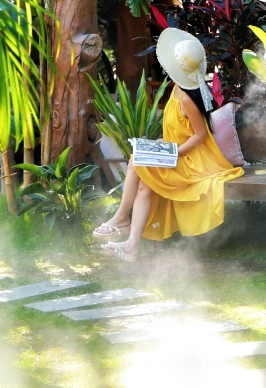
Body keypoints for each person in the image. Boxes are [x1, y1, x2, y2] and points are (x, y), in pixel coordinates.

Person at [94, 29, 243, 257]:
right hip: (178, 151)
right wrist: (158, 144)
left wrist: (173, 152)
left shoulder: (187, 97)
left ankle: (122, 218)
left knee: (136, 163)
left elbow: (200, 135)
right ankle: (131, 243)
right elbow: (179, 130)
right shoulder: (177, 88)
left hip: (193, 161)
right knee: (143, 179)